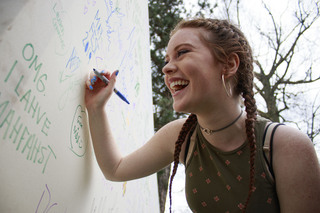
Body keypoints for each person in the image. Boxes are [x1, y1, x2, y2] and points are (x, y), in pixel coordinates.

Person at [85, 18, 320, 213]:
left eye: (182, 52)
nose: (166, 68)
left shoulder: (286, 146)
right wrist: (96, 109)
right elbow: (115, 169)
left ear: (229, 64)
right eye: (167, 60)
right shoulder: (181, 136)